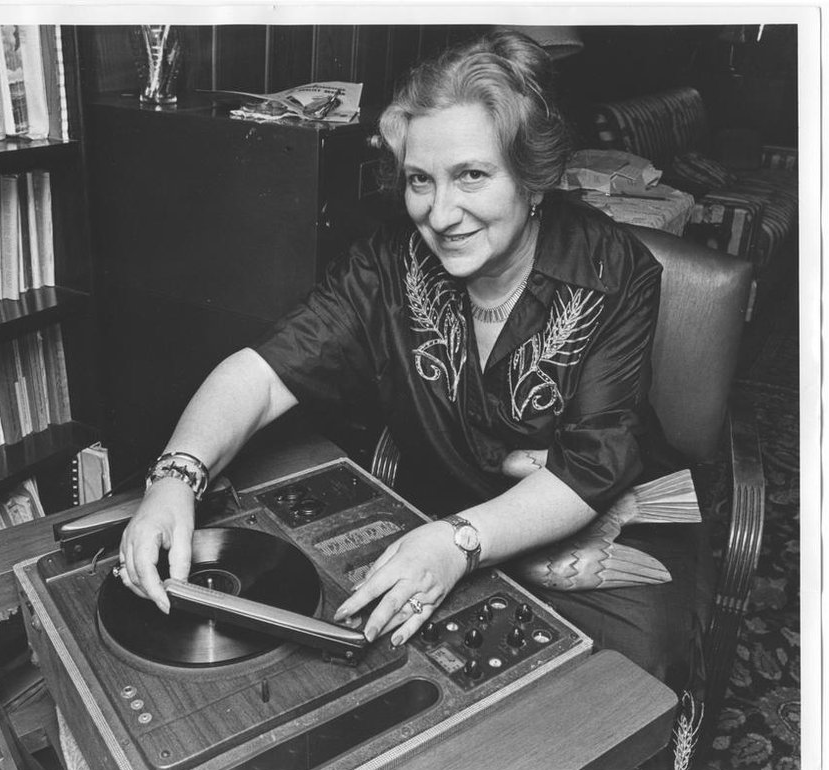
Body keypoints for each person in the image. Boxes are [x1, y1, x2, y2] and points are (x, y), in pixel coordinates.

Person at [117, 30, 712, 695]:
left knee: (626, 683)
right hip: (447, 520)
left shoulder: (615, 269)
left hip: (602, 525)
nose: (440, 212)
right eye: (420, 180)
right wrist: (176, 474)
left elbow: (590, 470)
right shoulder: (385, 263)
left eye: (472, 176)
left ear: (533, 176)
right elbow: (260, 373)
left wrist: (456, 542)